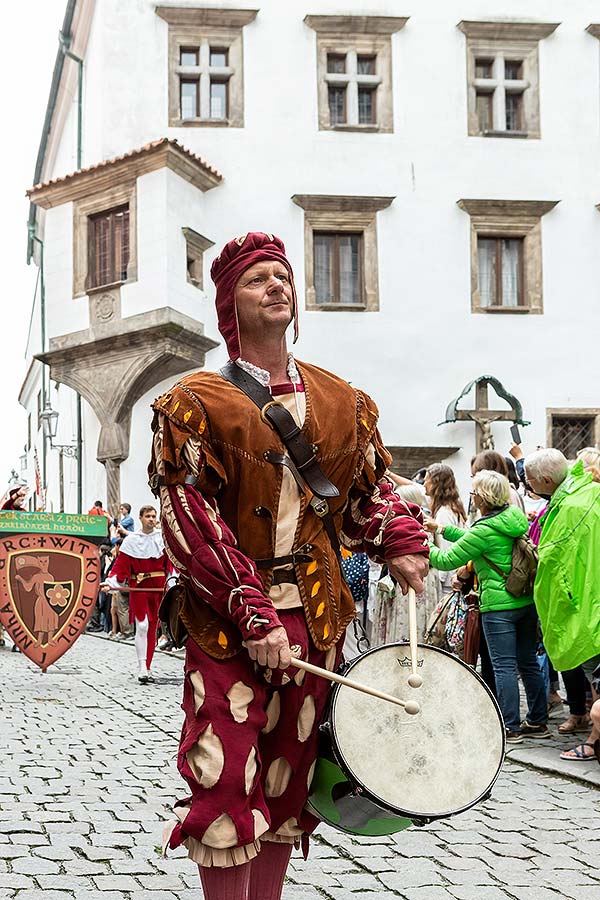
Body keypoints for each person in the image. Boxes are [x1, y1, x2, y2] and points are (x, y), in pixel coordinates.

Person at [148, 232, 429, 900]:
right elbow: (191, 522)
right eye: (257, 279)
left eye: (282, 276)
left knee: (285, 782)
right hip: (228, 625)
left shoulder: (341, 403)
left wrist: (400, 538)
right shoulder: (195, 404)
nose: (276, 285)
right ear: (229, 307)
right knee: (224, 779)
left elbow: (365, 496)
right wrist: (253, 612)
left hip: (316, 620)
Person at [427, 470, 549, 743]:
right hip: (525, 601)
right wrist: (441, 529)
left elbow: (446, 560)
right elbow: (474, 537)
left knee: (503, 666)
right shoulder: (513, 517)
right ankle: (539, 721)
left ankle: (510, 727)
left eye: (474, 492)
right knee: (528, 661)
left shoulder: (483, 530)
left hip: (498, 607)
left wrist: (423, 544)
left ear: (482, 497)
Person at [524, 449, 600, 761]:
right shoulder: (583, 494)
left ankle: (595, 742)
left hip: (584, 606)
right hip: (587, 601)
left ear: (544, 480)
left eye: (529, 479)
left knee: (596, 676)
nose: (525, 483)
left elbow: (557, 559)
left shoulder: (572, 505)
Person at [101, 506, 168, 682]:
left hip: (158, 590)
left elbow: (171, 566)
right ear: (140, 518)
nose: (152, 519)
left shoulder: (162, 539)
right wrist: (110, 583)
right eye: (148, 516)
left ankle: (147, 667)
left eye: (154, 516)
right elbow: (121, 567)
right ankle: (141, 667)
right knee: (143, 625)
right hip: (139, 589)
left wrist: (174, 581)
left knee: (153, 628)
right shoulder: (131, 541)